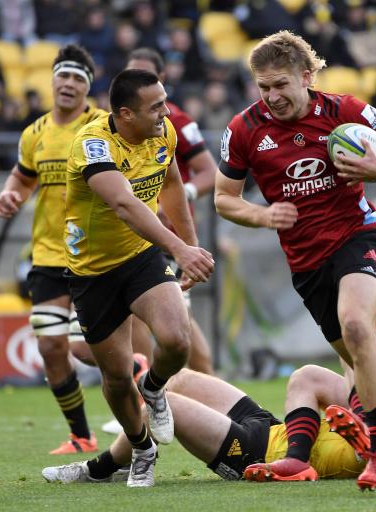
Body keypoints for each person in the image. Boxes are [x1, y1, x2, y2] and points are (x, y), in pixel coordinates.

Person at [214, 30, 376, 491]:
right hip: (306, 262)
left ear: (306, 77)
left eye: (280, 85)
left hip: (359, 236)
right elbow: (222, 199)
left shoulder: (344, 111)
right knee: (355, 360)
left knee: (357, 325)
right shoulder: (244, 130)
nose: (272, 96)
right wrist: (261, 213)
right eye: (263, 86)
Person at [41, 332, 376, 486]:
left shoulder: (375, 464)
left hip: (251, 454)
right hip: (269, 427)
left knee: (164, 402)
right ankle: (138, 448)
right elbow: (344, 378)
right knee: (179, 378)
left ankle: (103, 466)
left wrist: (364, 443)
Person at [64, 68, 214, 488]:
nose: (166, 112)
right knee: (114, 376)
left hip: (139, 256)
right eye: (157, 106)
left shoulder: (162, 131)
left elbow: (171, 181)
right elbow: (125, 205)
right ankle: (141, 447)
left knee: (177, 340)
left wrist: (190, 245)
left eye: (165, 101)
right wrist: (181, 249)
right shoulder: (92, 144)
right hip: (92, 271)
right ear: (126, 114)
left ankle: (154, 386)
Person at [0, 44, 104, 455]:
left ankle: (140, 378)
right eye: (64, 75)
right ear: (52, 79)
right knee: (50, 346)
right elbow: (22, 178)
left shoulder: (101, 127)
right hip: (47, 255)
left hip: (94, 255)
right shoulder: (34, 133)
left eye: (78, 78)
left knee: (85, 347)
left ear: (87, 88)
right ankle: (81, 435)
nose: (69, 84)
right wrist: (10, 194)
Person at [126, 47, 217, 375]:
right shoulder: (112, 124)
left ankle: (215, 400)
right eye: (131, 75)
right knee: (134, 318)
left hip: (169, 237)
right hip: (130, 236)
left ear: (162, 81)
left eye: (146, 76)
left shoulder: (176, 121)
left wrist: (185, 195)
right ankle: (144, 399)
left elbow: (209, 171)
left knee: (181, 331)